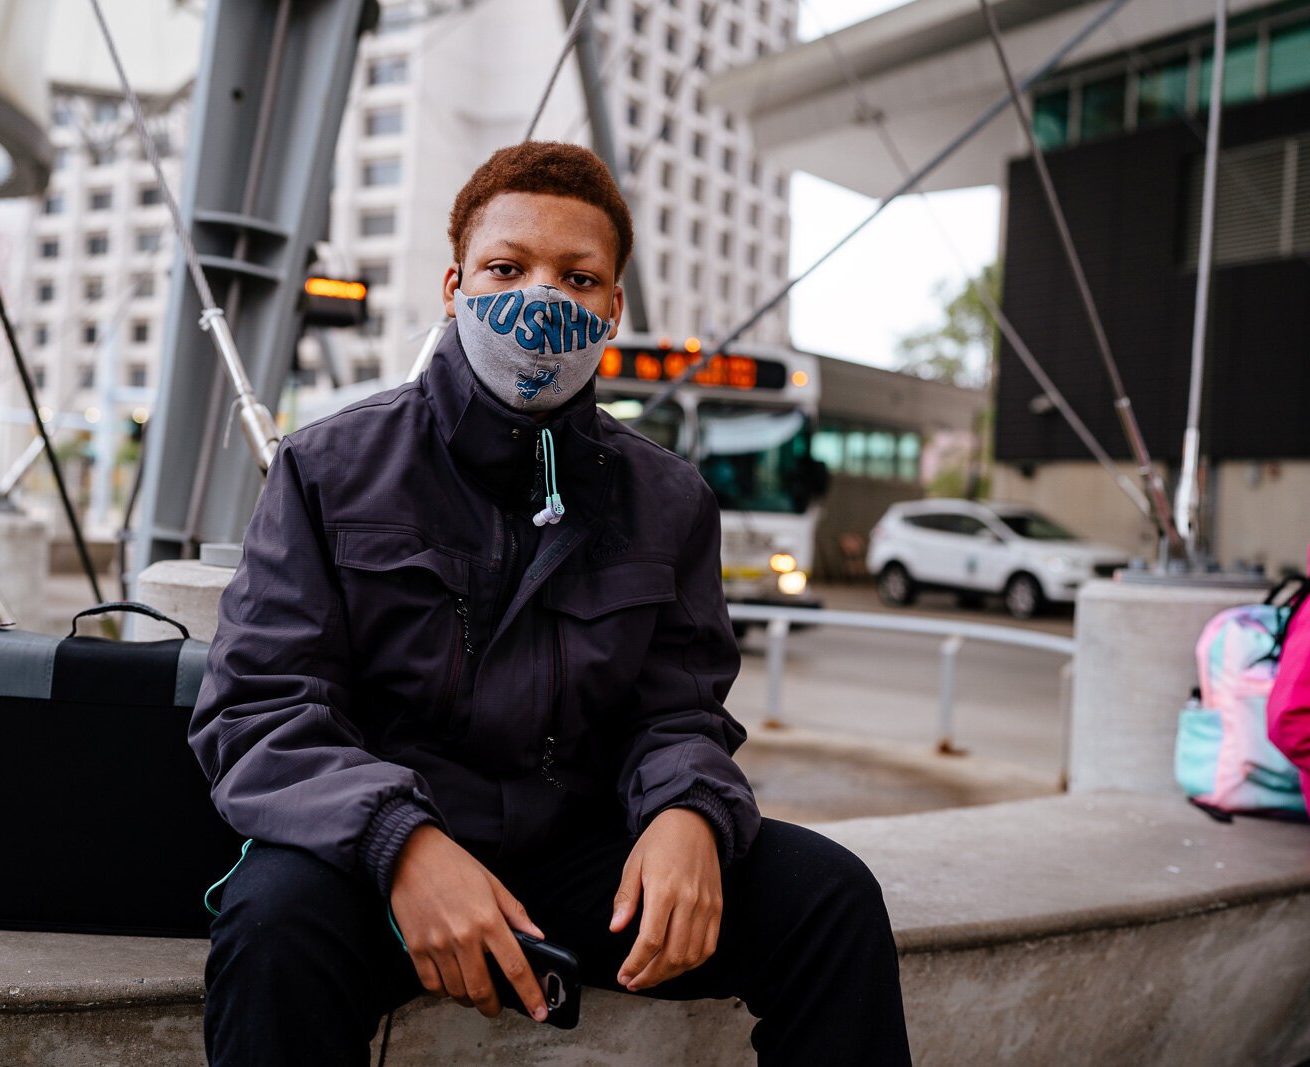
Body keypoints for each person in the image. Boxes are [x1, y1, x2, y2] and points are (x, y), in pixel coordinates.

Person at [192, 141, 911, 1066]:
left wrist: (688, 811)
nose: (541, 299)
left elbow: (679, 708)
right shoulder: (328, 469)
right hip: (374, 855)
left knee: (830, 899)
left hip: (580, 851)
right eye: (506, 268)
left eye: (578, 277)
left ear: (613, 305)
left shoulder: (669, 498)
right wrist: (399, 843)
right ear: (454, 285)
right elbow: (259, 708)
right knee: (271, 927)